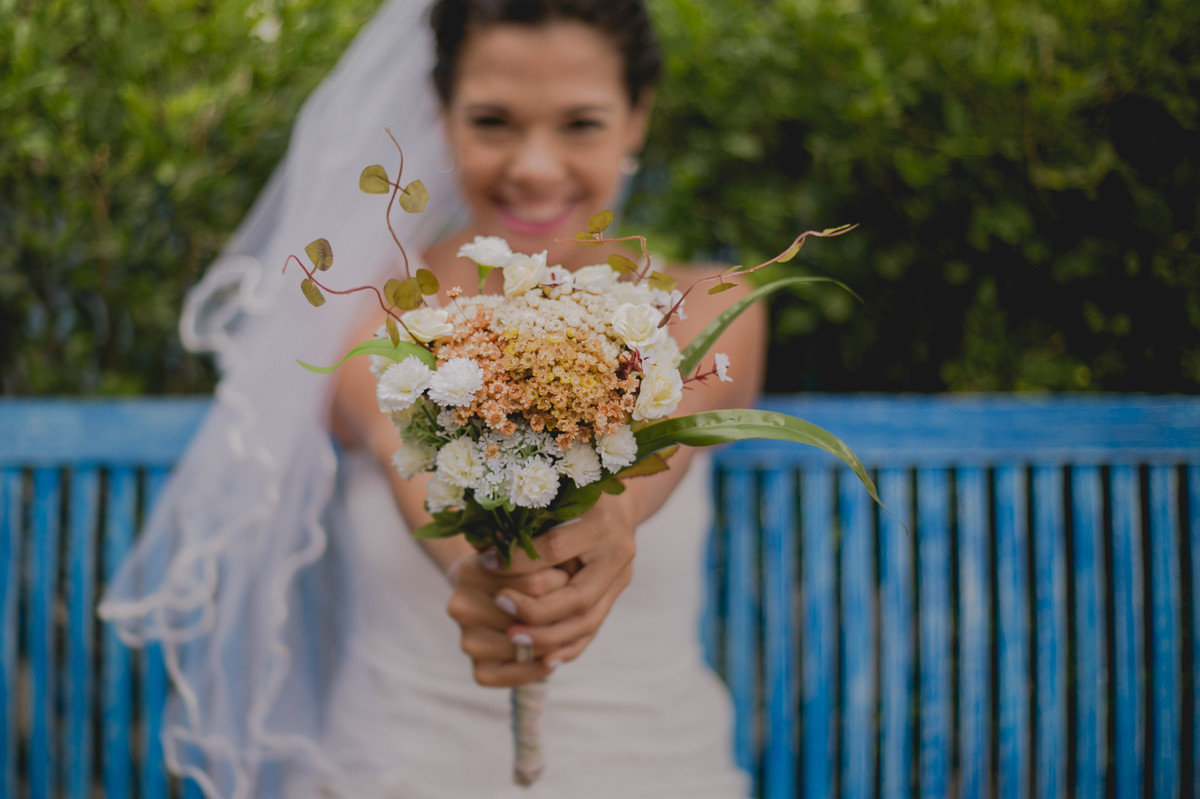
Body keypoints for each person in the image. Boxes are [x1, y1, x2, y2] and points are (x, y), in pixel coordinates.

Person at [101, 0, 765, 796]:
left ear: (636, 118)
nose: (537, 166)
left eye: (581, 123)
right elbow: (403, 450)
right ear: (441, 115)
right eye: (494, 121)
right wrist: (482, 571)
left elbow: (667, 439)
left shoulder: (711, 306)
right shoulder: (362, 311)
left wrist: (608, 521)